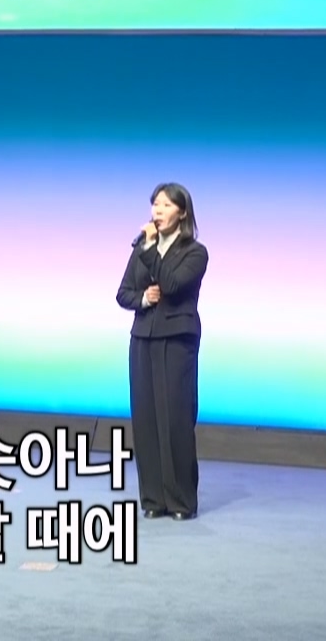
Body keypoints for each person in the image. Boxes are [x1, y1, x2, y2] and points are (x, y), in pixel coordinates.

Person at [114, 182, 208, 520]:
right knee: (146, 419)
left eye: (166, 205)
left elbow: (172, 283)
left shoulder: (195, 252)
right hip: (143, 337)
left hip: (177, 339)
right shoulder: (142, 249)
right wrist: (142, 298)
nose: (158, 210)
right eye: (155, 204)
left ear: (181, 212)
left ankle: (181, 500)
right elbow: (123, 293)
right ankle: (153, 499)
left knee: (175, 418)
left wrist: (150, 248)